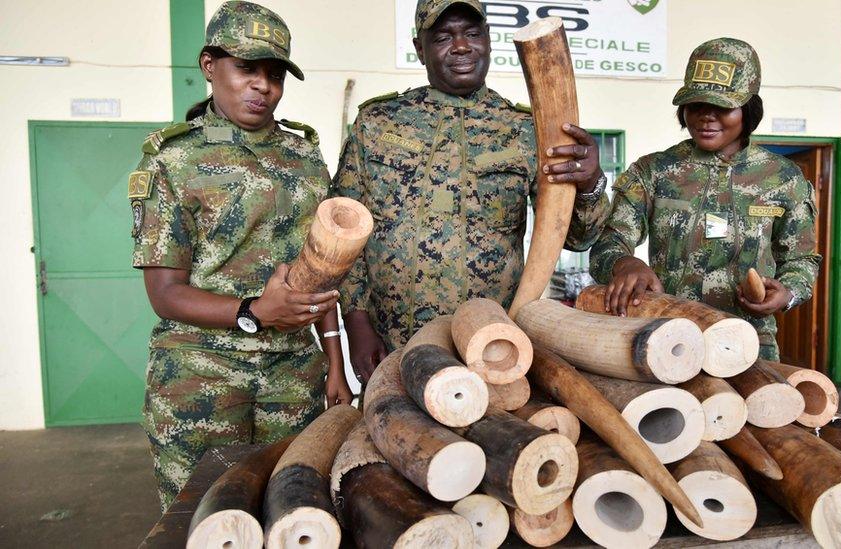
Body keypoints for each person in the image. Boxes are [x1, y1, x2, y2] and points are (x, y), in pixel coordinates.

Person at [129, 1, 352, 510]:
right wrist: (255, 311)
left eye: (275, 74)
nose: (262, 86)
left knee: (288, 509)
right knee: (200, 517)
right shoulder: (173, 160)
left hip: (292, 375)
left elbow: (321, 271)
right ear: (210, 66)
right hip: (200, 374)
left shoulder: (303, 156)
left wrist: (336, 362)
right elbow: (165, 294)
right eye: (247, 68)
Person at [332, 0, 611, 381]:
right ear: (420, 49)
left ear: (489, 41)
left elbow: (577, 238)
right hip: (392, 344)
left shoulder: (526, 130)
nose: (461, 46)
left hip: (493, 347)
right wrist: (357, 323)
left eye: (472, 33)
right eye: (443, 37)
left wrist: (590, 183)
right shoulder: (378, 123)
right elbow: (344, 228)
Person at [589, 38, 821, 361]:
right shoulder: (654, 171)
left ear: (748, 108)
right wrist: (625, 264)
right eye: (696, 105)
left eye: (722, 107)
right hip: (667, 340)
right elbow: (608, 242)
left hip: (748, 344)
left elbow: (802, 261)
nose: (706, 117)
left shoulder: (783, 178)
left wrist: (788, 292)